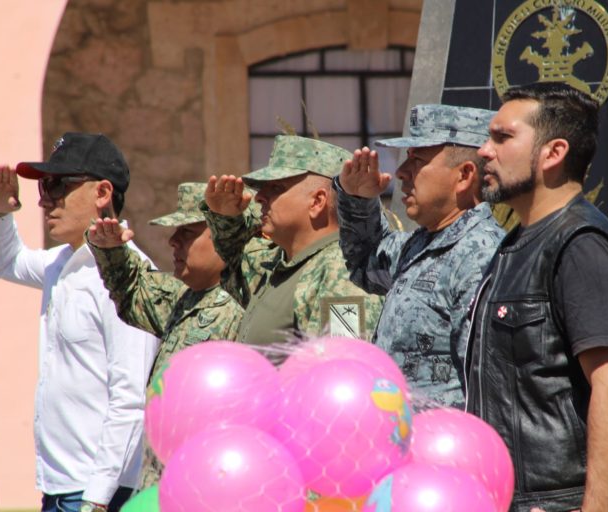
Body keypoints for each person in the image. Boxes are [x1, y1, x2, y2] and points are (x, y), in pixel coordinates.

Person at [466, 83, 608, 511]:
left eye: (503, 137)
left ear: (553, 153)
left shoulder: (580, 244)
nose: (485, 150)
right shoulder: (514, 247)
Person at [0, 133, 157, 512]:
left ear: (102, 192)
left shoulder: (128, 276)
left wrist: (98, 496)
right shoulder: (62, 263)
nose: (45, 200)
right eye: (44, 186)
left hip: (100, 494)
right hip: (61, 488)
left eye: (59, 184)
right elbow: (6, 262)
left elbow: (130, 398)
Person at [334, 104, 504, 408]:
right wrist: (358, 199)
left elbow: (487, 387)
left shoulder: (481, 255)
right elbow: (366, 262)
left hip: (446, 449)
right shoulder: (421, 243)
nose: (401, 172)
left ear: (464, 175)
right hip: (403, 444)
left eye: (417, 159)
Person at [86, 182, 245, 488]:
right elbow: (134, 290)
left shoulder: (247, 303)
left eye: (187, 231)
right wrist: (112, 252)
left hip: (209, 486)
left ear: (224, 236)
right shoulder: (186, 296)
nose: (174, 241)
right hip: (163, 483)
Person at [202, 135, 383, 345]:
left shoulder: (342, 269)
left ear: (317, 202)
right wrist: (226, 219)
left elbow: (341, 367)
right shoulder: (284, 265)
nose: (259, 197)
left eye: (276, 188)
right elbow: (233, 267)